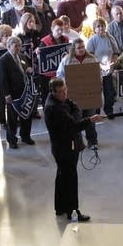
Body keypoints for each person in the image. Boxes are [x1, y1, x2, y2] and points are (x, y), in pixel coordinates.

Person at [44, 78, 104, 219]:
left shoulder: (58, 100)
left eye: (65, 90)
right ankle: (73, 211)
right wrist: (90, 119)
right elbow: (74, 125)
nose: (65, 94)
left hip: (62, 147)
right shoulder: (54, 108)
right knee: (70, 179)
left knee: (62, 177)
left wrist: (75, 117)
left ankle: (60, 208)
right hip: (65, 149)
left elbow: (75, 107)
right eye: (61, 92)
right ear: (53, 92)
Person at [56, 38, 100, 149]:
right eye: (79, 48)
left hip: (89, 94)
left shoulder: (92, 59)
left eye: (83, 47)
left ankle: (92, 142)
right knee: (76, 120)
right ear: (73, 49)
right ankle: (78, 143)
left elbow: (98, 74)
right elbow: (59, 74)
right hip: (74, 96)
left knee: (91, 118)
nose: (81, 49)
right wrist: (66, 82)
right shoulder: (67, 60)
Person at [0, 35, 35, 148]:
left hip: (25, 92)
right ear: (9, 46)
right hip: (12, 93)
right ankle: (12, 140)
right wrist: (6, 94)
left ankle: (26, 136)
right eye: (16, 46)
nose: (18, 48)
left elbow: (26, 67)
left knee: (26, 115)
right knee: (12, 119)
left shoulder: (22, 56)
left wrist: (29, 69)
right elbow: (2, 80)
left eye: (19, 46)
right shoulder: (3, 60)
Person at [86, 18, 120, 117]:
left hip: (108, 69)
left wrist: (113, 62)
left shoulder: (110, 37)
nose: (101, 28)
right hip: (96, 70)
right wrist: (100, 65)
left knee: (109, 92)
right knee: (97, 92)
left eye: (102, 26)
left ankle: (109, 110)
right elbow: (90, 55)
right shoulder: (92, 40)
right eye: (98, 26)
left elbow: (116, 52)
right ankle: (96, 112)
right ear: (94, 29)